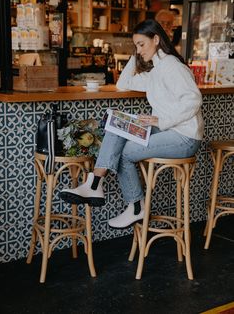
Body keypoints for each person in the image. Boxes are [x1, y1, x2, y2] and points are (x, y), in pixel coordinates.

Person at [59, 19, 204, 229]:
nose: (139, 50)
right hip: (167, 130)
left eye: (141, 44)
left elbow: (193, 100)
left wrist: (162, 120)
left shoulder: (172, 66)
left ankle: (135, 206)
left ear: (156, 39)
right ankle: (95, 183)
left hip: (184, 137)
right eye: (135, 45)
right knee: (118, 124)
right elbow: (123, 83)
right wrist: (136, 53)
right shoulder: (156, 70)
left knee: (126, 153)